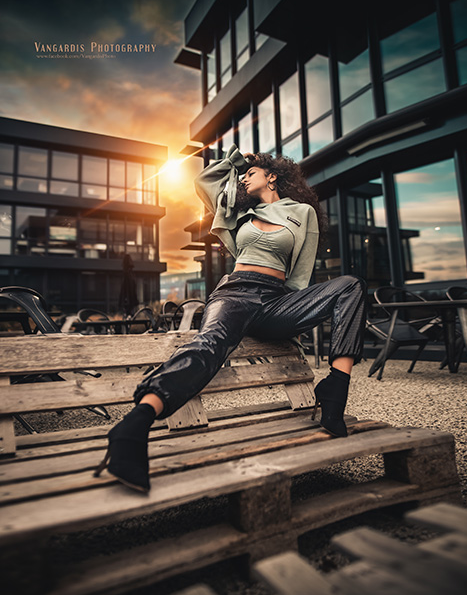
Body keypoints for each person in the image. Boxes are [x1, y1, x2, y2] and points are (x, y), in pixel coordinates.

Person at [94, 145, 367, 492]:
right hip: (236, 294)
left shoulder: (302, 213)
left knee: (350, 286)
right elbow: (204, 179)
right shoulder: (238, 211)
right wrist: (240, 161)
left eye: (251, 174)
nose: (244, 179)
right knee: (210, 345)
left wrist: (294, 315)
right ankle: (134, 425)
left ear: (272, 176)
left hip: (276, 300)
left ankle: (335, 388)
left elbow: (300, 276)